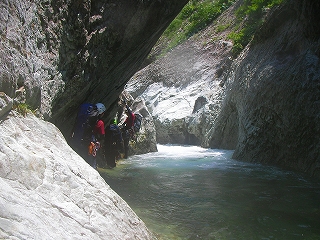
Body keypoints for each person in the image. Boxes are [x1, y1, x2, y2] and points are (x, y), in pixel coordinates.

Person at [87, 102, 106, 170]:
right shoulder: (100, 123)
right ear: (101, 113)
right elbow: (102, 135)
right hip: (93, 141)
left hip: (86, 139)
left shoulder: (89, 118)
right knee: (93, 160)